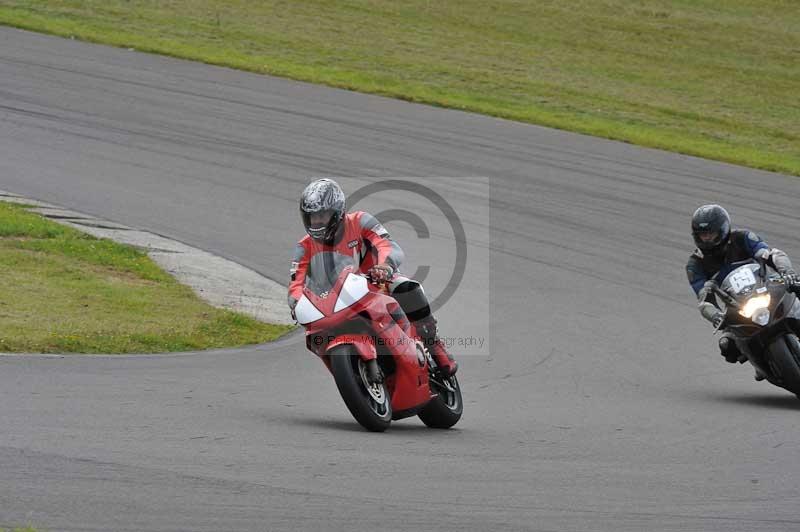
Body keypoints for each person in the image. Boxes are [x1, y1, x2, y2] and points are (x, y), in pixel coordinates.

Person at [288, 178, 458, 382]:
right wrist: (296, 301)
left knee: (406, 288)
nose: (316, 222)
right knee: (315, 331)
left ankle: (434, 345)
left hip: (375, 282)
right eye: (312, 217)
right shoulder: (304, 246)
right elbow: (296, 282)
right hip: (333, 301)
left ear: (338, 211)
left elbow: (387, 244)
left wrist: (385, 266)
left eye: (322, 216)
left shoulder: (360, 221)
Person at [686, 204, 797, 378]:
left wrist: (787, 272)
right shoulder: (695, 264)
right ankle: (763, 363)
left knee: (797, 288)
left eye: (711, 234)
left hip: (766, 287)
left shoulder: (743, 237)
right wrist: (715, 316)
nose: (707, 239)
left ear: (722, 229)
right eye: (703, 235)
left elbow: (770, 253)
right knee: (727, 347)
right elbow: (704, 300)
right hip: (737, 307)